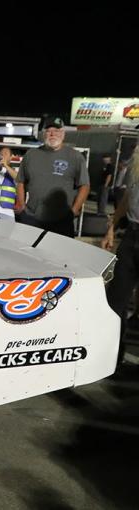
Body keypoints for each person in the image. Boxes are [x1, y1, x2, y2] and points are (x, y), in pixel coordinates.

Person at [15, 116, 89, 237]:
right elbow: (20, 182)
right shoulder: (31, 154)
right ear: (44, 134)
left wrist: (74, 210)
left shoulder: (75, 157)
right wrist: (22, 205)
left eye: (57, 130)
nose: (52, 134)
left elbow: (84, 186)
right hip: (32, 219)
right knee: (27, 253)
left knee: (58, 255)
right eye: (49, 131)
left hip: (62, 221)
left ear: (63, 134)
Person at [101, 155, 139, 370]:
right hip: (132, 235)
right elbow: (127, 198)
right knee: (115, 300)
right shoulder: (135, 165)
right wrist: (112, 227)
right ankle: (113, 358)